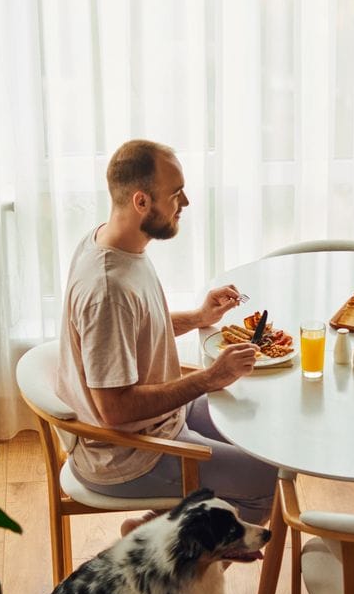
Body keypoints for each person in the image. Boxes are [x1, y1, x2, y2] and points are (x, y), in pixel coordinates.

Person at [53, 139, 277, 528]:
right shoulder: (109, 288)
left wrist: (198, 316)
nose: (185, 202)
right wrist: (209, 378)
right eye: (175, 194)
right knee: (265, 479)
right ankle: (173, 573)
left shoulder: (111, 242)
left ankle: (151, 532)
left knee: (260, 426)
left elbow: (132, 334)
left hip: (162, 416)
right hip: (127, 455)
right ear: (141, 202)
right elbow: (115, 409)